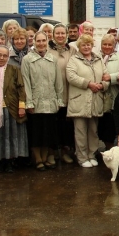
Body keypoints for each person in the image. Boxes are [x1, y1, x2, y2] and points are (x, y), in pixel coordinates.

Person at [22, 31, 65, 171]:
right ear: (34, 42)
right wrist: (29, 102)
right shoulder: (27, 59)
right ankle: (38, 159)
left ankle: (46, 157)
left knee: (48, 133)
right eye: (38, 41)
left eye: (43, 41)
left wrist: (59, 99)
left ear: (47, 41)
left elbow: (58, 81)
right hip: (35, 101)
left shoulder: (53, 59)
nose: (41, 43)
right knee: (36, 132)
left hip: (50, 101)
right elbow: (26, 82)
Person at [66, 35, 109, 168]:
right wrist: (88, 84)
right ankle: (82, 157)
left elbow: (106, 76)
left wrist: (102, 85)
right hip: (80, 101)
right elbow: (71, 76)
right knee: (80, 132)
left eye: (88, 44)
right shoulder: (74, 60)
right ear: (79, 46)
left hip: (96, 100)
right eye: (83, 45)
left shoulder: (98, 59)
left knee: (93, 131)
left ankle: (92, 155)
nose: (86, 47)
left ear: (92, 45)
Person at [48, 23, 77, 164]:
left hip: (67, 92)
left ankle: (65, 152)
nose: (60, 36)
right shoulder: (47, 49)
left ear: (66, 35)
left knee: (65, 125)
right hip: (52, 92)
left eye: (62, 33)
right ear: (53, 35)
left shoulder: (71, 50)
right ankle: (53, 153)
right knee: (53, 124)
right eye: (57, 33)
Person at [100, 34, 119, 149]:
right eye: (105, 44)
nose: (107, 46)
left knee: (111, 125)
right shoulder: (96, 56)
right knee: (101, 125)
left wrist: (111, 77)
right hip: (99, 95)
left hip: (114, 95)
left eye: (110, 44)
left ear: (114, 45)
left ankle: (112, 149)